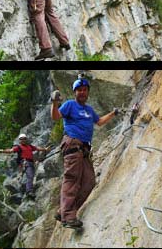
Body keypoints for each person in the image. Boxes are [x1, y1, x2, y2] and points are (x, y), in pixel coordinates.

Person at [51, 76, 119, 229]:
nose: (82, 92)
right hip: (73, 145)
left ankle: (63, 211)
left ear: (88, 92)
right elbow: (55, 117)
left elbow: (99, 122)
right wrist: (54, 103)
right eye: (79, 90)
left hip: (85, 150)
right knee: (72, 179)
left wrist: (113, 113)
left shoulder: (89, 110)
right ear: (75, 92)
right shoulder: (69, 105)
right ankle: (68, 217)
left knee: (89, 182)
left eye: (84, 90)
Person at [0, 133, 48, 198]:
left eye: (24, 139)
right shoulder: (18, 147)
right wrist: (2, 151)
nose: (23, 140)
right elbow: (10, 150)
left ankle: (25, 190)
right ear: (19, 140)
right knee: (30, 176)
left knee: (30, 176)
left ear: (26, 139)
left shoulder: (30, 146)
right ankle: (29, 191)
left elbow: (37, 148)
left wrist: (45, 149)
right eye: (21, 139)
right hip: (25, 163)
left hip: (31, 163)